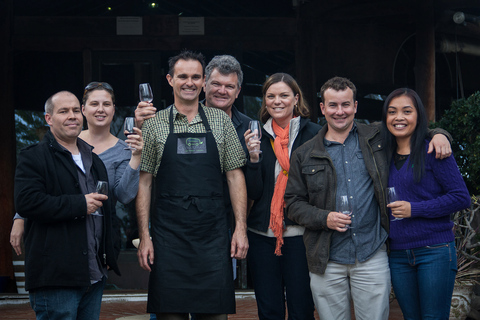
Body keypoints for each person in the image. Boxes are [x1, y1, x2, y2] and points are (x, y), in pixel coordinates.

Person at [284, 76, 453, 320]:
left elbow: (410, 127)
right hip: (326, 258)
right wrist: (324, 218)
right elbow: (293, 203)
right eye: (333, 105)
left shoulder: (377, 137)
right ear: (323, 108)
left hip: (371, 254)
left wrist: (439, 134)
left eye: (345, 105)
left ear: (355, 106)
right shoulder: (304, 153)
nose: (339, 111)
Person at [136, 50, 248, 320]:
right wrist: (144, 237)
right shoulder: (153, 124)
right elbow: (145, 182)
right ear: (170, 80)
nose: (189, 82)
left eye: (196, 77)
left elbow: (235, 176)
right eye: (182, 76)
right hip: (168, 239)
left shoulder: (221, 121)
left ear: (203, 81)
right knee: (169, 316)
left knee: (215, 316)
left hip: (213, 238)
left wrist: (240, 229)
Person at [14, 91, 120, 320]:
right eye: (63, 111)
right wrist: (79, 204)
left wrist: (110, 252)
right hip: (56, 278)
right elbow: (27, 202)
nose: (71, 116)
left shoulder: (94, 159)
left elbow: (109, 210)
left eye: (74, 110)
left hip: (94, 275)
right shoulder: (33, 157)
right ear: (48, 118)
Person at [10, 82, 143, 257]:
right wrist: (20, 217)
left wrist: (136, 157)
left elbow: (124, 195)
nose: (100, 109)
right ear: (83, 109)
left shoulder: (123, 150)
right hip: (58, 235)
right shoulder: (64, 140)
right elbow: (38, 182)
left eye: (106, 104)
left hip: (97, 237)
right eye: (94, 104)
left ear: (114, 109)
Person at [382, 88, 470, 319]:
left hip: (434, 251)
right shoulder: (382, 154)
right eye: (392, 112)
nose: (399, 117)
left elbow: (461, 197)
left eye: (406, 111)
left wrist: (415, 209)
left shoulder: (434, 150)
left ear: (418, 116)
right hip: (398, 254)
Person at [244, 73, 319, 319]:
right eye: (271, 96)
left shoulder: (315, 135)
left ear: (296, 99)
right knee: (270, 309)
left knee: (302, 308)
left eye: (284, 95)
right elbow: (254, 192)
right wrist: (253, 159)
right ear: (264, 101)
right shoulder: (257, 136)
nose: (277, 101)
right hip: (261, 235)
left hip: (299, 235)